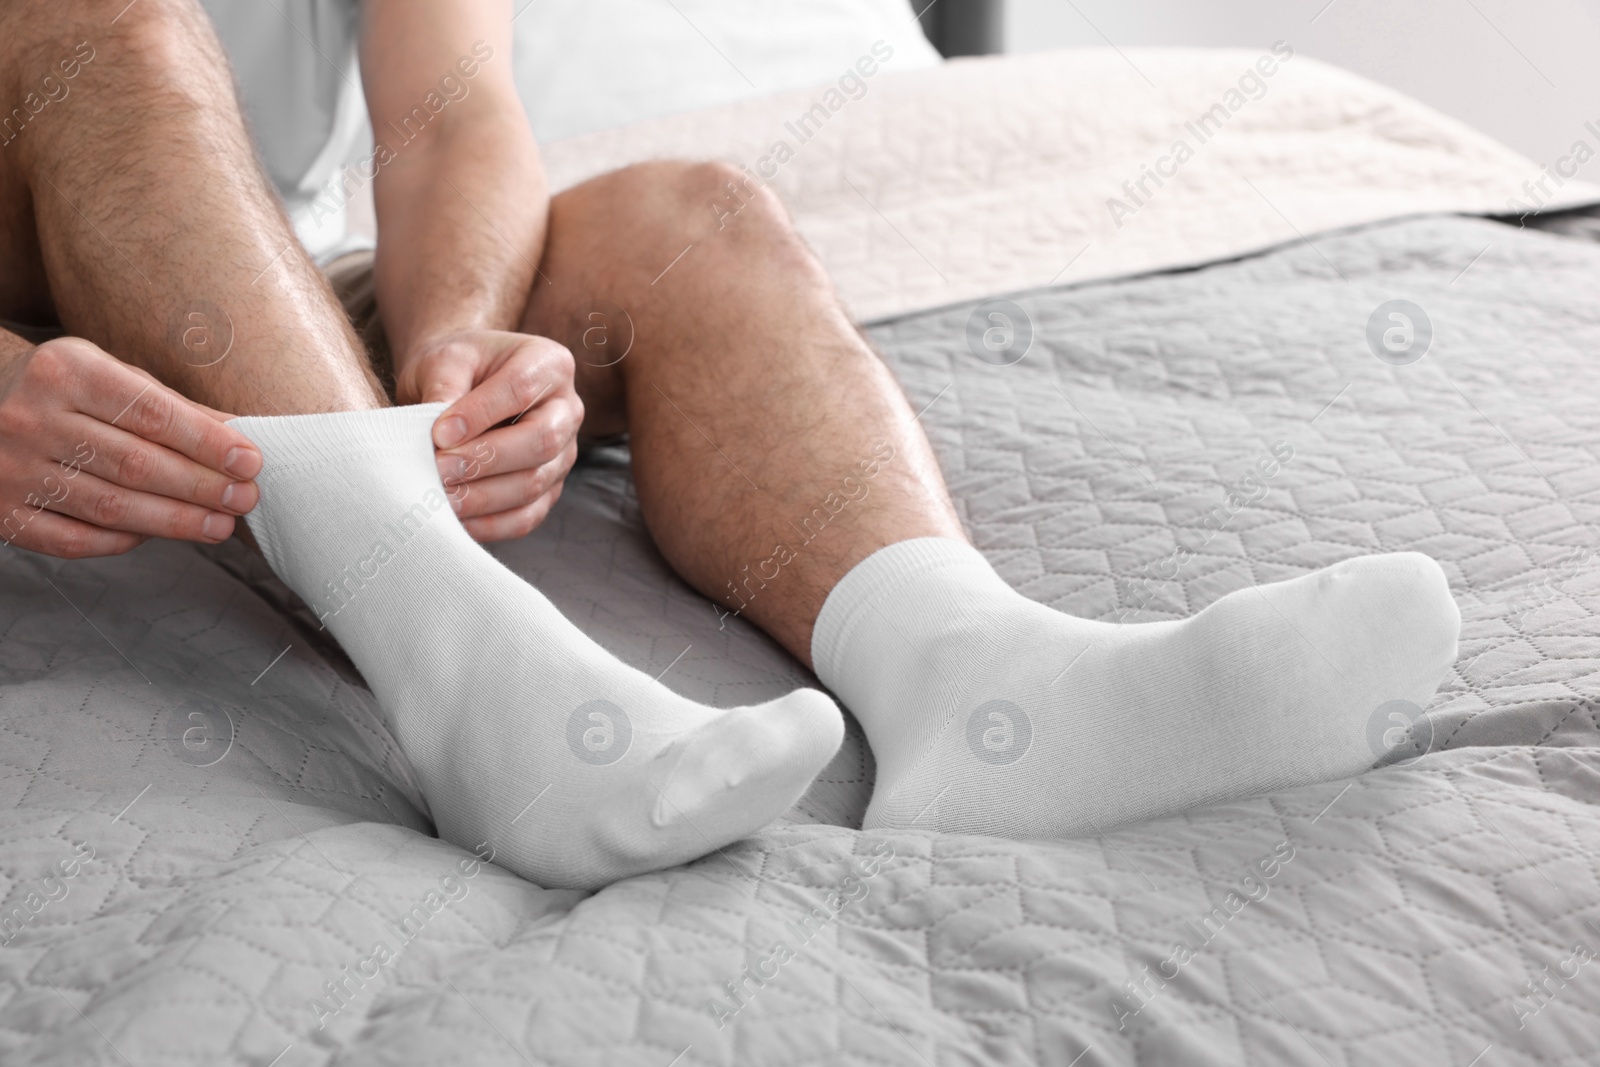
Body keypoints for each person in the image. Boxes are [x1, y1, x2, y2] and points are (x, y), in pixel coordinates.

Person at [0, 0, 1459, 890]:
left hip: (275, 291)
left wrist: (456, 338)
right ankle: (471, 675)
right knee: (103, 22)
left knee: (694, 221)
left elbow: (449, 126)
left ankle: (983, 683)